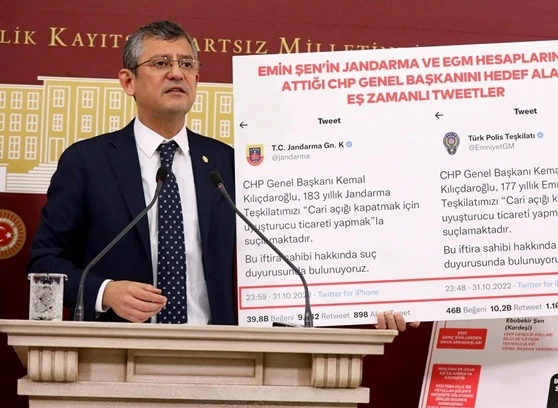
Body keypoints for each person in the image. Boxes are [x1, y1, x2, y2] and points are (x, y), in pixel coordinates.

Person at [27, 20, 418, 331]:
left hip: (220, 349)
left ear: (197, 79)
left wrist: (376, 297)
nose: (176, 73)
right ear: (128, 81)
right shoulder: (87, 162)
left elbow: (296, 252)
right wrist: (106, 291)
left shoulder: (227, 165)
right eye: (161, 64)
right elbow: (44, 264)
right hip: (117, 349)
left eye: (187, 64)